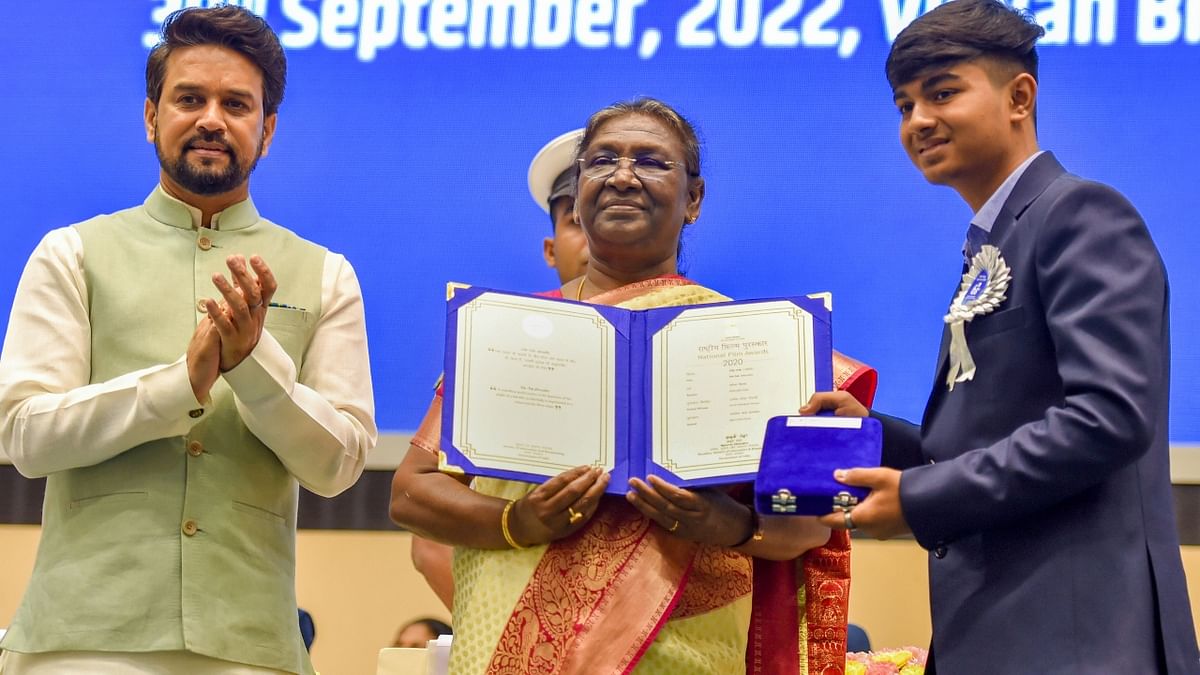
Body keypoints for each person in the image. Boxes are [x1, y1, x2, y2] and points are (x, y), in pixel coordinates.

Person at [391, 97, 876, 674]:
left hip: (687, 650)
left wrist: (731, 525)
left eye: (650, 160)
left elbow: (803, 531)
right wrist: (515, 522)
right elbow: (411, 492)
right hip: (513, 646)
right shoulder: (500, 333)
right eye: (601, 161)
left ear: (693, 200)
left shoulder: (755, 341)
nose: (622, 175)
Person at [804, 1, 1199, 672]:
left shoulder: (1080, 214)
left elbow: (1108, 418)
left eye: (942, 92)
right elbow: (987, 432)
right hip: (1004, 637)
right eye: (903, 105)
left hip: (1080, 641)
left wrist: (921, 498)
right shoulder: (995, 238)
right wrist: (873, 437)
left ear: (1020, 97)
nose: (918, 121)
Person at [0, 6, 375, 674]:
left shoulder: (326, 273)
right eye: (189, 98)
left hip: (252, 644)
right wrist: (184, 383)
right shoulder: (73, 253)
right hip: (83, 641)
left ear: (268, 131)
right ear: (151, 117)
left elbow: (339, 464)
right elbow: (25, 436)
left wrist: (255, 364)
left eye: (236, 104)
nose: (211, 119)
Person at [409, 129, 589, 611]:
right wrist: (497, 632)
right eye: (577, 220)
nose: (597, 235)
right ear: (550, 249)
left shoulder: (691, 326)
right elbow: (427, 534)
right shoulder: (497, 336)